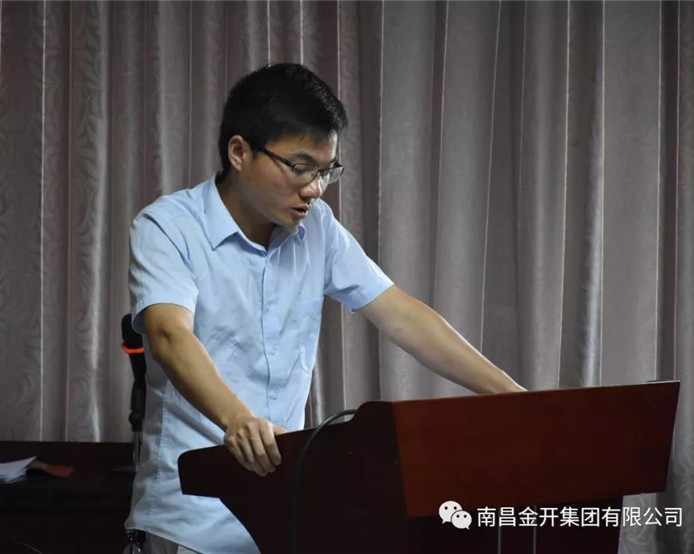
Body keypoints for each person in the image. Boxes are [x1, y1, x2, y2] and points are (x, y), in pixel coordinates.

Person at [125, 62, 524, 554]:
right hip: (191, 520)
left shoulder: (319, 229)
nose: (315, 188)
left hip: (284, 514)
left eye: (326, 170)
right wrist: (238, 420)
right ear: (239, 152)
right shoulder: (167, 227)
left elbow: (402, 315)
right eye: (300, 168)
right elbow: (169, 335)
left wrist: (512, 397)